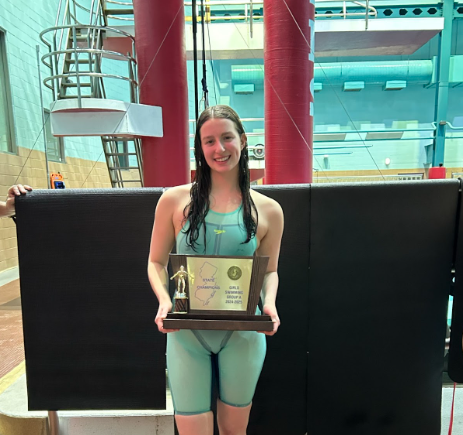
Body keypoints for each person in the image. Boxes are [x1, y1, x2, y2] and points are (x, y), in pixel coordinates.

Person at [147, 105, 284, 435]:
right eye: (209, 141)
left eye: (226, 138)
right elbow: (156, 262)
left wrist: (269, 304)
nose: (219, 149)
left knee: (234, 431)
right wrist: (165, 301)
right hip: (185, 333)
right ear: (199, 147)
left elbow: (269, 270)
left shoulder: (268, 210)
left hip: (243, 332)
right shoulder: (174, 201)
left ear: (243, 140)